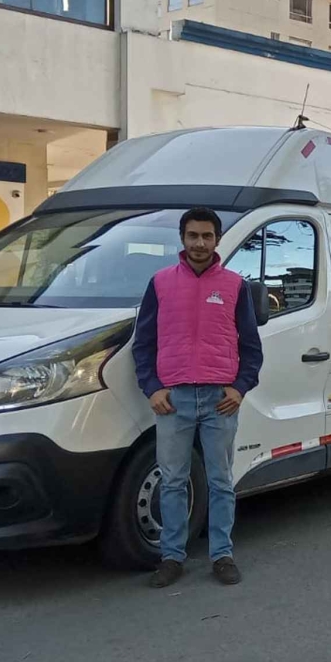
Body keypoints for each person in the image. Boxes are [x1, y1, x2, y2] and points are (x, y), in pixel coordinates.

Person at [134, 207, 264, 589]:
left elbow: (251, 347)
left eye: (207, 236)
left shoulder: (235, 286)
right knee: (173, 481)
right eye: (193, 236)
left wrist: (239, 388)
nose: (200, 243)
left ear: (218, 239)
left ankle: (221, 555)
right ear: (182, 237)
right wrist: (152, 387)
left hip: (218, 398)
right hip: (173, 399)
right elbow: (142, 344)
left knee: (221, 480)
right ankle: (171, 557)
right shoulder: (159, 283)